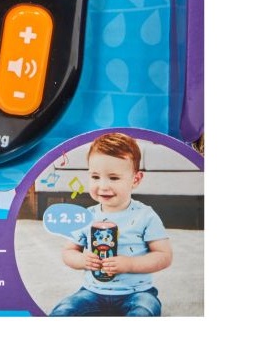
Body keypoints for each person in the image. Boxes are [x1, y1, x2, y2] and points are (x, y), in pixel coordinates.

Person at [49, 133, 172, 316]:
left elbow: (164, 255)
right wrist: (82, 260)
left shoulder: (145, 215)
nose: (103, 186)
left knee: (144, 311)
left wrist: (130, 264)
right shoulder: (86, 216)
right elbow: (68, 251)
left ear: (136, 180)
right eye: (95, 177)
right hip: (92, 292)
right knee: (64, 310)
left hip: (137, 293)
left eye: (113, 178)